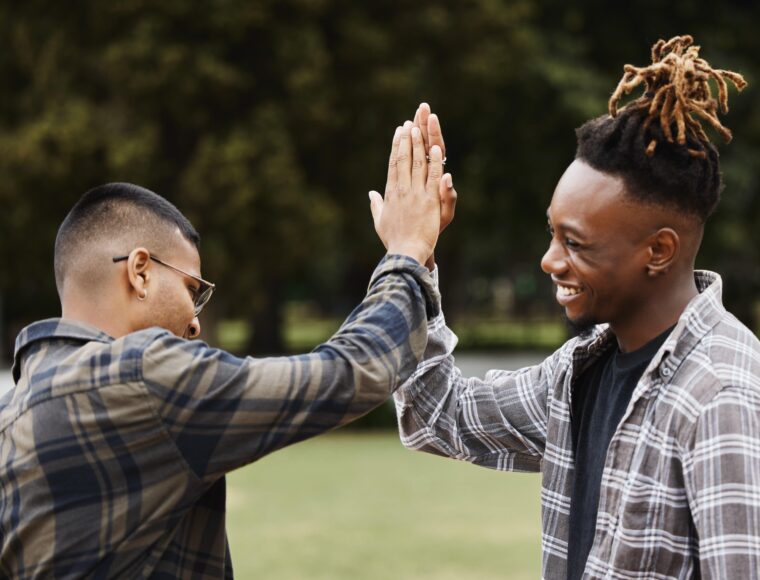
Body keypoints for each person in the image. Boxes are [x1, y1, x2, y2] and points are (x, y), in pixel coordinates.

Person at [0, 122, 447, 577]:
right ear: (140, 271)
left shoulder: (9, 416)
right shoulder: (141, 378)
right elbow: (354, 371)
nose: (195, 321)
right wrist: (408, 251)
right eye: (192, 289)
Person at [387, 36, 760, 579]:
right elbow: (436, 414)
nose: (549, 261)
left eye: (576, 244)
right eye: (552, 234)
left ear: (659, 251)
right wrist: (412, 256)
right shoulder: (579, 374)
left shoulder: (721, 395)